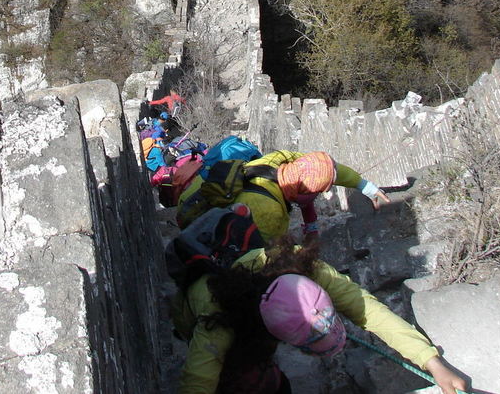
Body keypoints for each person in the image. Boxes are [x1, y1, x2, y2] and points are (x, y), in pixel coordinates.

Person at [172, 239, 468, 394]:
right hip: (199, 319)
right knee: (248, 384)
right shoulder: (216, 327)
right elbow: (198, 382)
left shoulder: (305, 270)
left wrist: (431, 361)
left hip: (250, 317)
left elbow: (369, 311)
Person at [179, 151, 390, 242]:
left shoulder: (276, 161)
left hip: (193, 194)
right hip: (197, 233)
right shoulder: (271, 214)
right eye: (317, 193)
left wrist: (365, 186)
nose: (318, 197)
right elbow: (259, 258)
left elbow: (320, 166)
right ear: (302, 192)